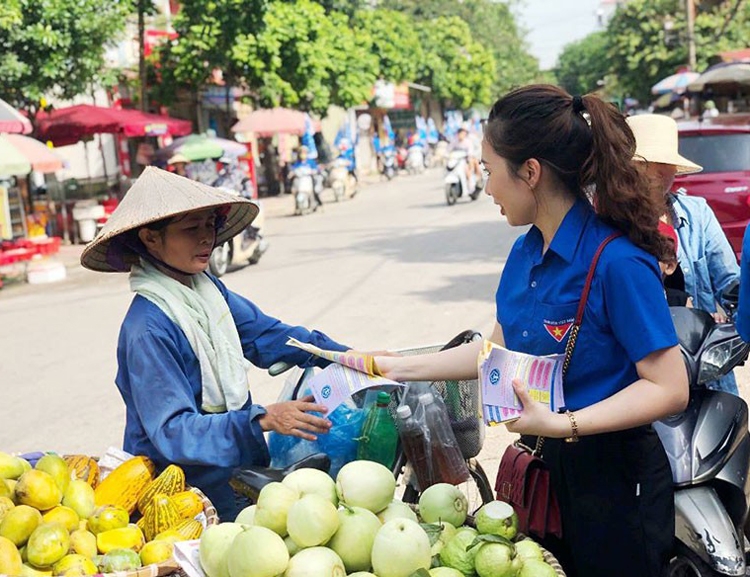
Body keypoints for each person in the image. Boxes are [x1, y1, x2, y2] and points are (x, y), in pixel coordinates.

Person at [374, 85, 688, 577]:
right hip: (545, 473)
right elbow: (494, 351)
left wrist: (563, 425)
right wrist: (395, 364)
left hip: (615, 481)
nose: (486, 187)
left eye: (488, 170)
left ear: (531, 172)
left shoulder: (616, 262)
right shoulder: (526, 254)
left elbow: (670, 388)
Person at [79, 167, 352, 521]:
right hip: (181, 496)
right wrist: (265, 418)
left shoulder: (207, 291)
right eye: (191, 229)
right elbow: (174, 431)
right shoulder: (148, 329)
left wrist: (348, 357)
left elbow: (267, 335)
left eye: (209, 225)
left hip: (234, 473)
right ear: (150, 238)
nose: (206, 238)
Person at [627, 114, 740, 394]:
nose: (660, 172)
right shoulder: (608, 223)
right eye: (649, 165)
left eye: (664, 165)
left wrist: (734, 321)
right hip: (639, 379)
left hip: (703, 373)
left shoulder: (697, 214)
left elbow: (730, 282)